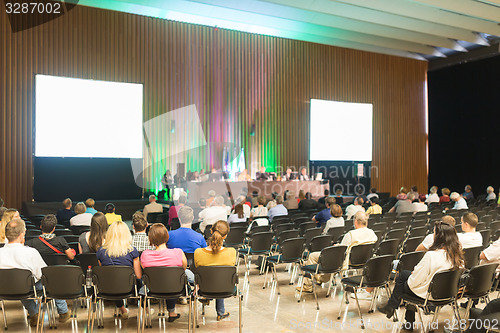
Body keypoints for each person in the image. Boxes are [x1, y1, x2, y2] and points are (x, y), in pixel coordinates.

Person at [377, 220, 464, 329]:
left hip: (429, 295)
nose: (433, 236)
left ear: (439, 237)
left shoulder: (431, 256)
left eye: (434, 233)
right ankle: (394, 310)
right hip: (447, 294)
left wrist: (414, 274)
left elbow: (414, 283)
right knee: (404, 275)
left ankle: (394, 309)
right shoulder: (458, 257)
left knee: (403, 281)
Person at [0, 219, 70, 326]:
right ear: (22, 234)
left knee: (20, 285)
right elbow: (43, 274)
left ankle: (34, 313)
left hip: (6, 288)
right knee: (51, 280)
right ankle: (63, 312)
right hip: (27, 286)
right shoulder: (30, 252)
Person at [141, 223, 191, 322]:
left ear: (150, 239)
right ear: (167, 237)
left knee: (165, 278)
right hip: (175, 289)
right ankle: (171, 312)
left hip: (153, 290)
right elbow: (183, 269)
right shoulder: (178, 252)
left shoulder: (145, 255)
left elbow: (146, 271)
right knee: (172, 278)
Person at [96, 221, 142, 319]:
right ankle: (146, 309)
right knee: (138, 282)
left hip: (108, 288)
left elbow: (103, 273)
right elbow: (138, 275)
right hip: (128, 288)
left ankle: (123, 310)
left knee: (113, 277)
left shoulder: (100, 251)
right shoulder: (132, 251)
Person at [194, 221, 236, 321]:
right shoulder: (231, 252)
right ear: (225, 236)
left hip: (204, 289)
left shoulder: (198, 252)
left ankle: (207, 298)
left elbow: (197, 269)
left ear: (211, 231)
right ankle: (221, 312)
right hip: (225, 289)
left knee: (211, 276)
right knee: (220, 277)